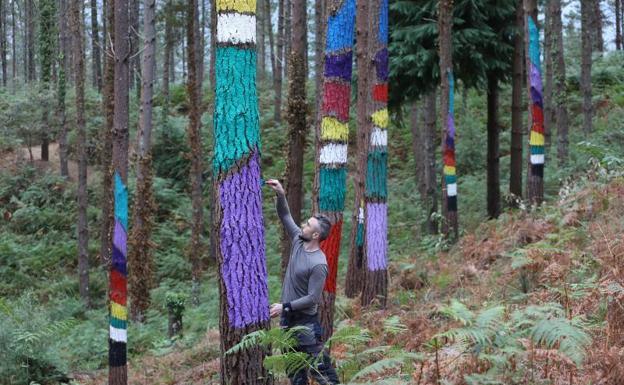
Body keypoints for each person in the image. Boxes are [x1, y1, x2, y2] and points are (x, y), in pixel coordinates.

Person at [266, 178, 340, 385]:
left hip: (306, 324)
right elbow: (285, 215)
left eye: (307, 225)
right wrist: (281, 194)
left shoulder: (319, 263)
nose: (303, 226)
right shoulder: (298, 239)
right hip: (287, 322)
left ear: (315, 234)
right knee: (295, 376)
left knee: (324, 375)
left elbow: (313, 298)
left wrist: (284, 306)